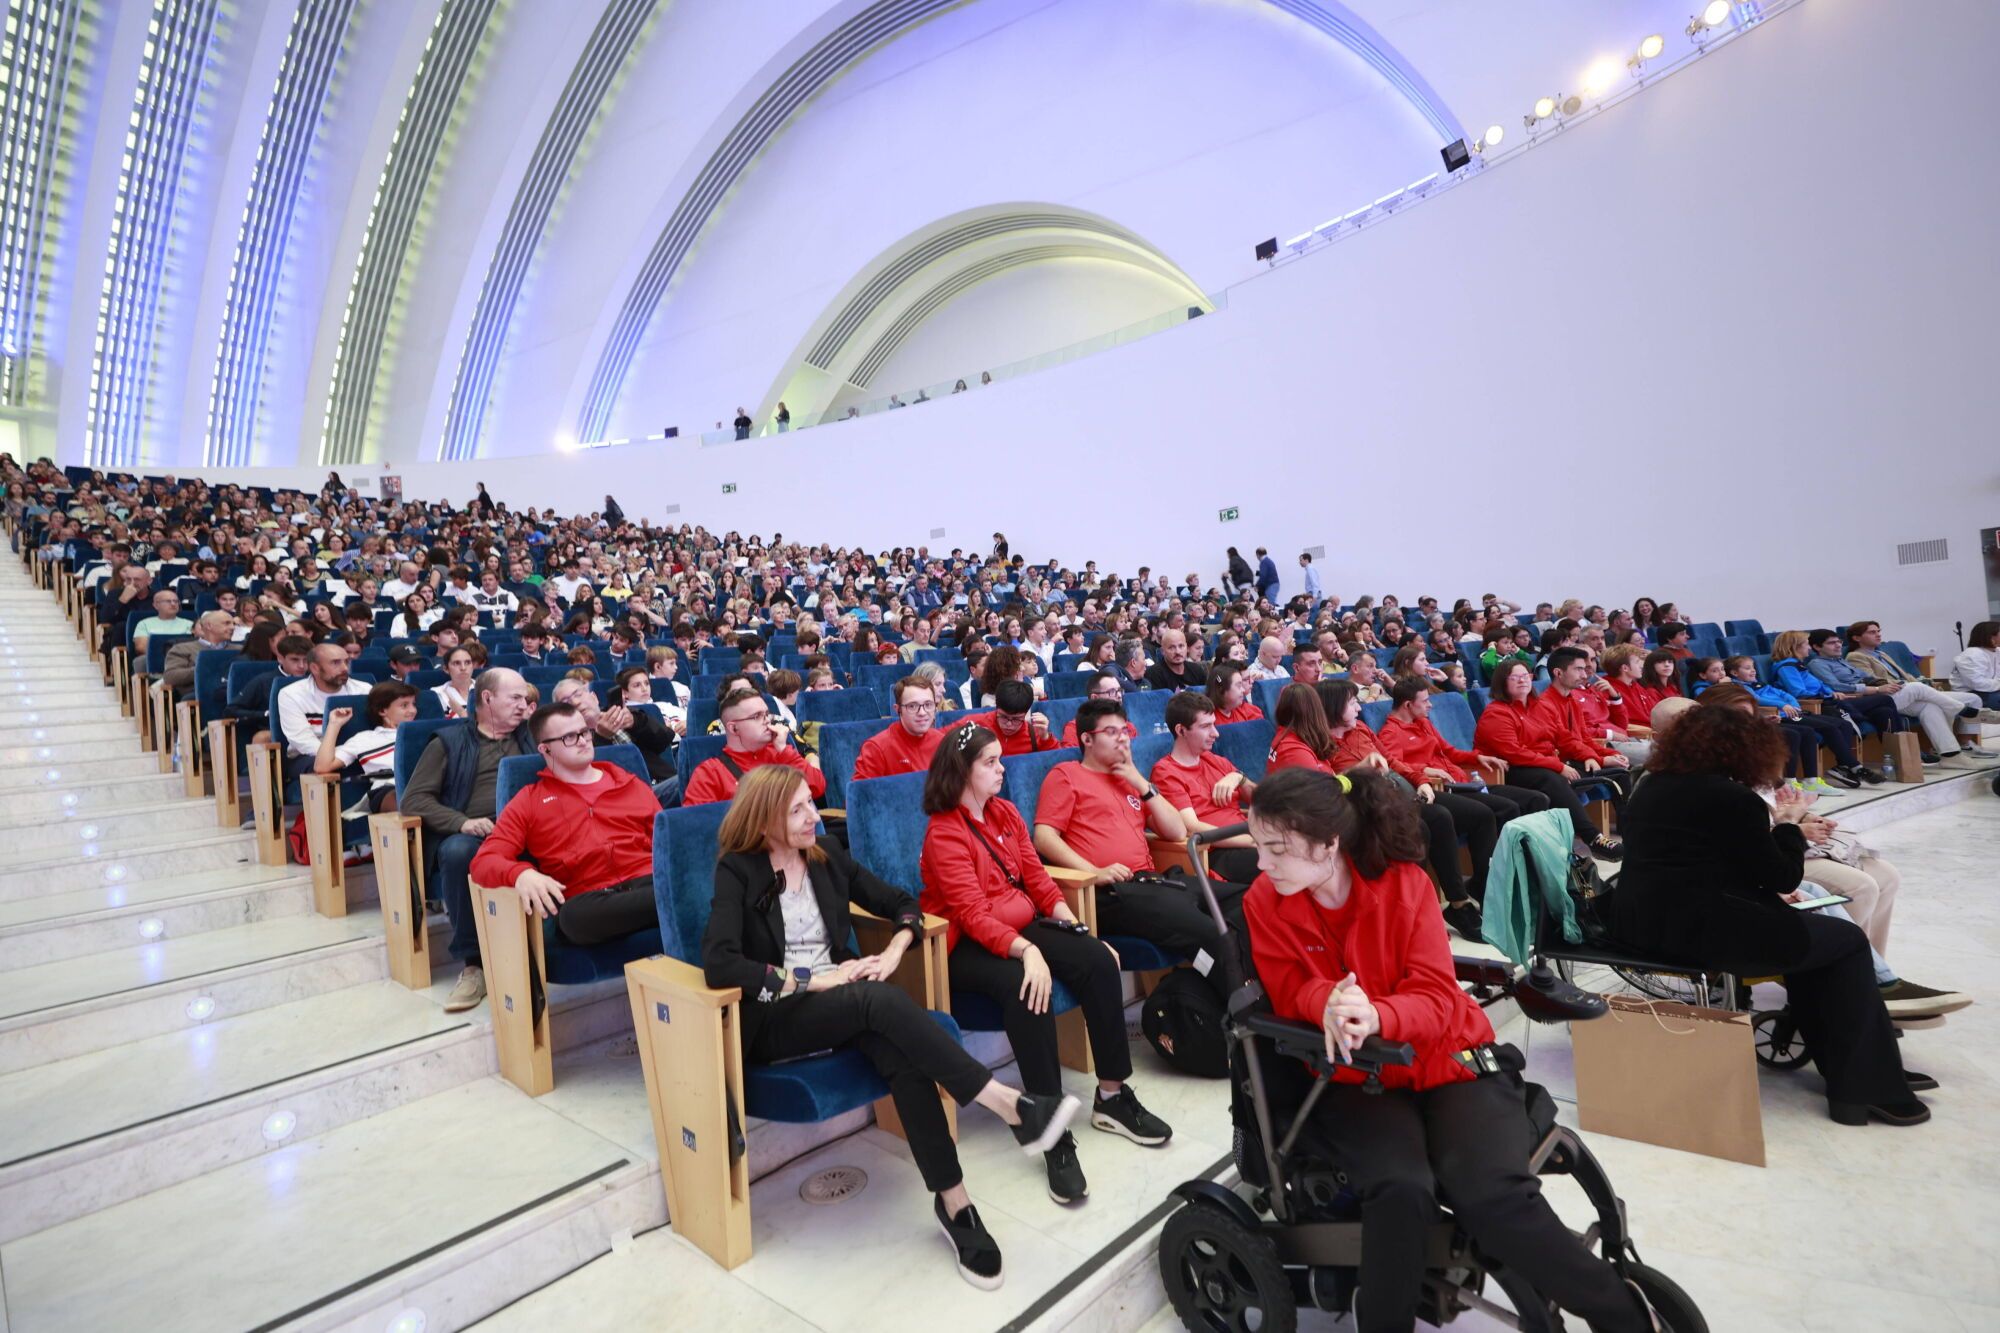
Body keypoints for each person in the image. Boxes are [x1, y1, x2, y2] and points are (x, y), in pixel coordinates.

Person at [1241, 767, 1661, 1333]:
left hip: (1449, 1062)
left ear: (1328, 843)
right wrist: (1325, 1003)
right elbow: (1288, 983)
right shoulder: (1265, 899)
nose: (1262, 863)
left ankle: (1628, 1320)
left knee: (1493, 1197)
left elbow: (1436, 996)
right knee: (1400, 1190)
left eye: (1276, 849)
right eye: (1258, 846)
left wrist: (1379, 1013)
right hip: (1356, 1080)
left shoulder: (1403, 883)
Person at [713, 766, 1079, 1286]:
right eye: (797, 810)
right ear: (764, 817)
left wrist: (893, 949)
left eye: (810, 804)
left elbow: (903, 904)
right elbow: (721, 964)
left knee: (899, 1048)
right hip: (778, 1015)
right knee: (873, 1001)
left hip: (846, 1000)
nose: (813, 816)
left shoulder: (826, 855)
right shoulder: (738, 871)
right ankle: (1008, 1104)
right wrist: (813, 981)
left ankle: (956, 1205)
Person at [1611, 705, 1930, 1127]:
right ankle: (1865, 1083)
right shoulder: (1732, 798)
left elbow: (1704, 861)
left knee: (1815, 941)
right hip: (1703, 932)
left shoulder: (1651, 786)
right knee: (1845, 941)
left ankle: (1855, 1072)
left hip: (1644, 921)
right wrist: (1788, 825)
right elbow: (1781, 874)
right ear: (1744, 751)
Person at [920, 729, 1169, 1210]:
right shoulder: (944, 831)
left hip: (1019, 926)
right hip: (966, 943)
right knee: (1025, 985)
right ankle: (1051, 1131)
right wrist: (1025, 951)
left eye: (999, 760)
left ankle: (1113, 1097)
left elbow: (1036, 878)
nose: (1001, 768)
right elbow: (970, 914)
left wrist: (1078, 928)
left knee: (1097, 959)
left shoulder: (1005, 813)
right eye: (990, 763)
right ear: (962, 771)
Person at [1032, 698, 1243, 997]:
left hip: (1155, 881)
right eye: (1111, 732)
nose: (1122, 738)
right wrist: (1094, 871)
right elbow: (1044, 837)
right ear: (1087, 739)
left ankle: (1234, 998)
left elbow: (1176, 830)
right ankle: (1240, 1012)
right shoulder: (1066, 775)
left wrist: (1140, 782)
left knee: (1244, 901)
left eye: (1124, 731)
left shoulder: (1130, 779)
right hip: (1111, 891)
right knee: (1211, 931)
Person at [470, 702, 664, 947]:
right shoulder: (529, 800)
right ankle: (669, 904)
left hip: (646, 880)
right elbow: (483, 862)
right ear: (546, 749)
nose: (583, 741)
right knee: (573, 917)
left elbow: (667, 844)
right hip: (590, 900)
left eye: (584, 732)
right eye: (569, 737)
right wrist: (521, 874)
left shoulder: (629, 783)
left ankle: (666, 902)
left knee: (683, 881)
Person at [401, 667, 539, 1012]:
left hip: (531, 825)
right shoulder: (448, 741)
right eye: (516, 698)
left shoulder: (532, 736)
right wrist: (461, 822)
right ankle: (473, 963)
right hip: (479, 831)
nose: (525, 706)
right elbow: (413, 800)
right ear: (487, 698)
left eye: (526, 698)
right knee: (458, 851)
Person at [1473, 661, 1625, 859]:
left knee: (1613, 771)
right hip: (1507, 770)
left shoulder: (1540, 706)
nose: (1522, 680)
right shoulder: (1496, 712)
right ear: (1502, 682)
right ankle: (1592, 837)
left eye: (1525, 675)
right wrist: (1558, 765)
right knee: (1551, 778)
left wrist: (1590, 755)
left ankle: (1625, 833)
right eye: (1514, 677)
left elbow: (1564, 738)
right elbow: (1514, 753)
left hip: (1542, 765)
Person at [1804, 628, 1983, 763]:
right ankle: (1961, 709)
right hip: (1862, 701)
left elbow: (1867, 677)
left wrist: (1885, 684)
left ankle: (1950, 754)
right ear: (1816, 647)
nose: (1837, 645)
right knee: (1915, 688)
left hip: (1880, 696)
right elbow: (1835, 686)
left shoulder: (1841, 661)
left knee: (1930, 706)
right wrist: (1875, 690)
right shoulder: (1818, 664)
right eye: (1831, 643)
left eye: (1838, 642)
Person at [1151, 692, 1260, 883]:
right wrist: (1252, 840)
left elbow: (1263, 802)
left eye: (1214, 724)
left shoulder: (1217, 761)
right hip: (1217, 852)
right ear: (1181, 730)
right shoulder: (1166, 772)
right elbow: (1191, 828)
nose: (1215, 733)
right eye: (1205, 726)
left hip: (1248, 841)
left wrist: (1240, 778)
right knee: (1289, 862)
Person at [1846, 619, 2000, 743]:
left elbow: (1904, 674)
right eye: (1872, 632)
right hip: (1889, 696)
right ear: (1857, 638)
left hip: (1911, 691)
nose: (1878, 635)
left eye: (1879, 631)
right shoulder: (1855, 656)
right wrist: (1909, 684)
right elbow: (1872, 680)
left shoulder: (1882, 654)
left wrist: (1925, 682)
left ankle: (1954, 752)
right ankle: (1968, 711)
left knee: (1971, 698)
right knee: (1917, 688)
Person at [682, 686, 826, 805]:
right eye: (757, 716)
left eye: (767, 714)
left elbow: (817, 788)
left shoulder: (781, 754)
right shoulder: (710, 773)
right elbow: (696, 828)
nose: (767, 721)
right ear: (733, 728)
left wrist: (784, 750)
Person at [314, 680, 419, 813]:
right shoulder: (364, 739)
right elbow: (322, 766)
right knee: (408, 802)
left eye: (413, 704)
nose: (413, 710)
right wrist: (334, 725)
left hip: (423, 784)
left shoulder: (422, 732)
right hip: (388, 789)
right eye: (404, 705)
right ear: (382, 710)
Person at [277, 642, 369, 780]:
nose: (345, 668)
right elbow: (303, 741)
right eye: (335, 663)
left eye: (346, 662)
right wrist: (336, 756)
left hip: (354, 751)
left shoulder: (364, 690)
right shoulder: (291, 694)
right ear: (314, 668)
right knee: (327, 767)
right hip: (308, 756)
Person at [853, 676, 946, 779]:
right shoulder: (876, 749)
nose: (922, 712)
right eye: (912, 706)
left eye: (928, 704)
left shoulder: (943, 742)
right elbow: (861, 793)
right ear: (898, 710)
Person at [949, 679, 1056, 755]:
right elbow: (941, 739)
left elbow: (1056, 760)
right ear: (996, 707)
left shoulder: (1034, 733)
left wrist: (1046, 738)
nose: (1009, 724)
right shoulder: (974, 724)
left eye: (1016, 719)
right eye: (1004, 717)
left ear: (1025, 714)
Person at [162, 610, 234, 700]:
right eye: (227, 623)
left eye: (233, 624)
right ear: (209, 626)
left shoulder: (240, 649)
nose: (232, 627)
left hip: (235, 692)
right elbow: (171, 677)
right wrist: (203, 669)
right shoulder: (181, 649)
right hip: (199, 694)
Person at [1946, 620, 2000, 707]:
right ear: (1990, 636)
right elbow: (1978, 684)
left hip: (1992, 690)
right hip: (1970, 694)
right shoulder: (1971, 655)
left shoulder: (1997, 651)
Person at [130, 587, 193, 657]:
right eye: (168, 601)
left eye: (176, 601)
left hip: (182, 657)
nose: (173, 604)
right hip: (153, 657)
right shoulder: (144, 624)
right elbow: (141, 648)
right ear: (156, 605)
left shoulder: (189, 624)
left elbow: (192, 645)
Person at [1145, 628, 1207, 692]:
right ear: (1162, 651)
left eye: (1181, 646)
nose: (1178, 652)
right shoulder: (1153, 674)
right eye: (1171, 647)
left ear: (1186, 647)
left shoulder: (1197, 670)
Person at [1206, 660, 1264, 725]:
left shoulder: (1241, 712)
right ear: (1221, 689)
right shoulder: (1209, 719)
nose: (1243, 690)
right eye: (1239, 686)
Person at [433, 645, 477, 719]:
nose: (463, 668)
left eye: (467, 662)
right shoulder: (437, 694)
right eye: (457, 663)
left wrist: (462, 713)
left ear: (473, 666)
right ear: (446, 669)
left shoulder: (487, 689)